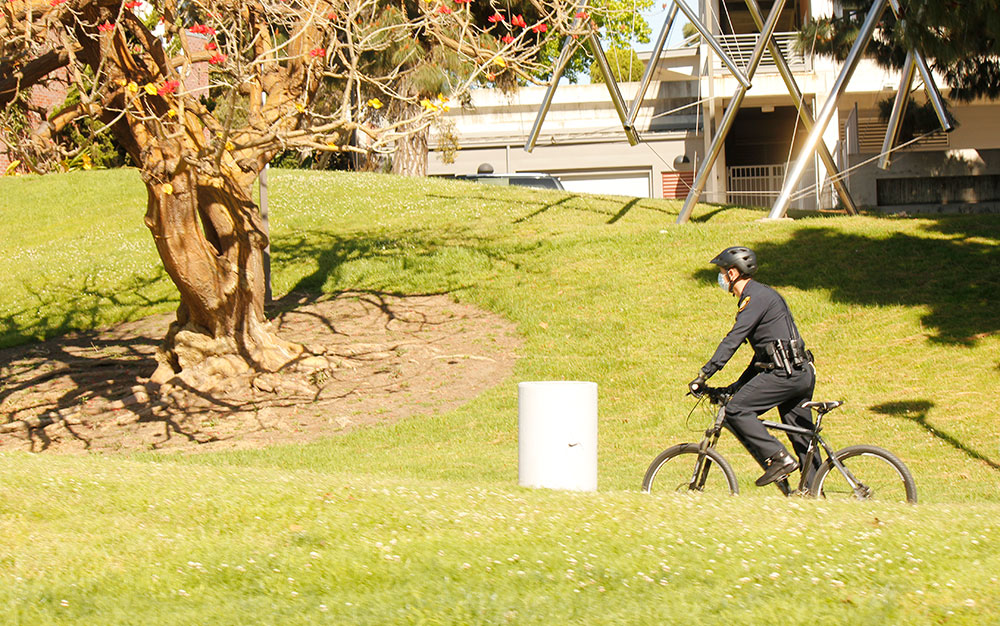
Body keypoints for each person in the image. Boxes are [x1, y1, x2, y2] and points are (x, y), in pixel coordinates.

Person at [688, 246, 819, 488]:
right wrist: (736, 385)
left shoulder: (753, 298)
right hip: (798, 372)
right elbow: (763, 355)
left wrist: (705, 373)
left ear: (732, 273)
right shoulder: (763, 296)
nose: (720, 277)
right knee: (801, 438)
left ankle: (779, 459)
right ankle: (815, 492)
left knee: (737, 410)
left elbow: (734, 339)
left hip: (785, 374)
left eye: (721, 272)